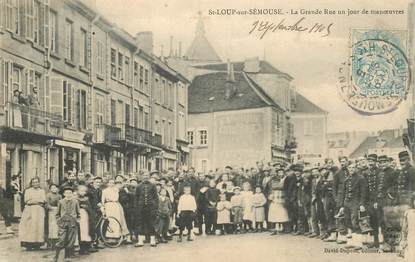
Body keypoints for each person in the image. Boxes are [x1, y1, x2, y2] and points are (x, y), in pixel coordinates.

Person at [339, 163, 367, 250]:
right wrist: (342, 206)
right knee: (348, 222)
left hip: (356, 202)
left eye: (353, 167)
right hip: (347, 203)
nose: (351, 169)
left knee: (355, 222)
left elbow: (364, 192)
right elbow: (343, 193)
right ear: (347, 168)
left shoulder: (361, 178)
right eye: (350, 167)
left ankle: (358, 243)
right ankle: (350, 242)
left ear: (356, 168)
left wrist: (362, 204)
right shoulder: (346, 179)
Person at [53, 186, 80, 261]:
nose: (68, 194)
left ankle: (67, 256)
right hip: (63, 223)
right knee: (61, 239)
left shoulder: (75, 201)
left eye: (70, 193)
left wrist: (77, 220)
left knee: (70, 240)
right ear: (64, 194)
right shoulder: (61, 202)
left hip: (72, 223)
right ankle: (56, 256)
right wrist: (59, 221)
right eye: (67, 193)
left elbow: (78, 213)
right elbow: (57, 214)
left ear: (72, 194)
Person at [19, 177, 46, 250]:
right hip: (30, 210)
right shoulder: (28, 191)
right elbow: (27, 201)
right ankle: (29, 244)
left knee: (38, 227)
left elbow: (43, 200)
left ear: (39, 183)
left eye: (37, 182)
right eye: (33, 182)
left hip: (39, 211)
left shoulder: (42, 191)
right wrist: (37, 201)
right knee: (29, 226)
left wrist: (35, 201)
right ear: (31, 183)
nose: (35, 184)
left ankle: (37, 244)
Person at [135, 171, 159, 247]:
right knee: (140, 224)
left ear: (149, 176)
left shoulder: (152, 186)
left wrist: (155, 207)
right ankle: (140, 241)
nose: (145, 177)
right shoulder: (139, 186)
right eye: (144, 175)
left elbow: (156, 197)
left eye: (147, 175)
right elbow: (136, 197)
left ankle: (152, 240)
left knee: (151, 223)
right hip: (141, 208)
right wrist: (137, 208)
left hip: (150, 208)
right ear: (141, 176)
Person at [268, 169, 289, 235]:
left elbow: (283, 187)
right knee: (275, 214)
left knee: (281, 213)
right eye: (279, 172)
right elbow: (272, 187)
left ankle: (281, 228)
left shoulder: (285, 180)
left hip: (281, 198)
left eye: (281, 172)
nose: (280, 174)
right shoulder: (274, 181)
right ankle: (276, 228)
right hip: (275, 198)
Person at [77, 184, 95, 255]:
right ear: (78, 191)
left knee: (86, 231)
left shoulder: (87, 199)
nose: (83, 192)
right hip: (79, 217)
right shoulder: (76, 199)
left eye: (84, 191)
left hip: (86, 217)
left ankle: (86, 248)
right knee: (80, 232)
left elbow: (89, 209)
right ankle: (81, 248)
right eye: (81, 191)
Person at [47, 184, 61, 248]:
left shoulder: (59, 196)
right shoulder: (48, 195)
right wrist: (51, 208)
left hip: (58, 212)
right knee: (52, 226)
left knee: (57, 226)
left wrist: (59, 209)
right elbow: (47, 204)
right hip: (51, 212)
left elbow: (61, 203)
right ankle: (51, 242)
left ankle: (57, 241)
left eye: (55, 188)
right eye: (52, 188)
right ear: (50, 189)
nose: (54, 189)